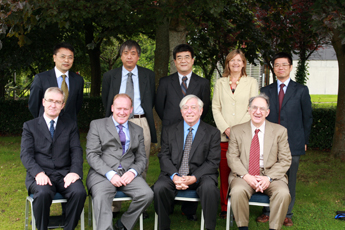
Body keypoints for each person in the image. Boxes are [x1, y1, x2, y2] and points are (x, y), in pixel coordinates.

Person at [258, 52, 313, 227]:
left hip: (294, 142)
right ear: (273, 69)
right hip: (269, 143)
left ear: (290, 67)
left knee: (290, 179)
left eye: (284, 64)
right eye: (277, 65)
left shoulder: (301, 90)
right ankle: (267, 211)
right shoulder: (265, 91)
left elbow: (307, 117)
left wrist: (304, 140)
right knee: (268, 176)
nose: (280, 68)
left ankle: (287, 213)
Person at [20, 87, 86, 230]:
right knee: (43, 193)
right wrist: (38, 173)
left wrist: (74, 172)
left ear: (63, 106)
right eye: (50, 100)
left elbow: (76, 150)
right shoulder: (30, 126)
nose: (53, 105)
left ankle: (68, 228)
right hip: (40, 174)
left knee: (79, 192)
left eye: (58, 102)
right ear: (43, 102)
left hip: (64, 174)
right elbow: (26, 154)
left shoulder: (70, 125)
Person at [86, 94, 154, 230]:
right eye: (119, 108)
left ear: (131, 110)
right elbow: (92, 155)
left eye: (126, 109)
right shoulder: (97, 125)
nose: (122, 112)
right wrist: (110, 174)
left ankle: (123, 224)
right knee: (102, 196)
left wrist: (133, 172)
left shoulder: (138, 130)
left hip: (128, 174)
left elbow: (141, 158)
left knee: (147, 194)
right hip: (102, 174)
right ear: (112, 108)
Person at [154, 95, 220, 230]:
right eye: (186, 108)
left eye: (193, 108)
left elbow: (212, 162)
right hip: (174, 174)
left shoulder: (212, 132)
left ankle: (209, 227)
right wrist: (175, 176)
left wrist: (194, 177)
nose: (189, 111)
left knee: (209, 188)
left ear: (201, 111)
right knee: (159, 188)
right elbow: (164, 156)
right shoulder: (170, 130)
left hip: (201, 175)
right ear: (181, 111)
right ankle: (163, 227)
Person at [227, 94, 291, 230]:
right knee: (238, 190)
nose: (258, 112)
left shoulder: (280, 131)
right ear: (248, 110)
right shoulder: (236, 131)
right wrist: (246, 176)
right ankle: (242, 227)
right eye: (254, 108)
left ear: (267, 112)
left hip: (271, 175)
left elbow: (285, 160)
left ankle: (274, 228)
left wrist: (268, 177)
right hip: (244, 174)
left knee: (283, 193)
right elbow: (232, 157)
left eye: (262, 109)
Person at [212, 49, 258, 218]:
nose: (236, 63)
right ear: (228, 64)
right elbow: (215, 108)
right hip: (223, 136)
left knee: (241, 171)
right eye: (232, 60)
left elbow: (253, 107)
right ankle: (225, 207)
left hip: (244, 136)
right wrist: (226, 128)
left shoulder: (251, 82)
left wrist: (237, 132)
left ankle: (240, 203)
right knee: (224, 171)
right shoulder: (220, 83)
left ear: (244, 63)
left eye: (239, 60)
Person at [102, 40, 156, 180]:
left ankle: (140, 195)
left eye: (133, 53)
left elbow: (152, 99)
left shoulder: (148, 75)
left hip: (141, 121)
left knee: (142, 160)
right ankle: (115, 200)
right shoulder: (110, 76)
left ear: (138, 56)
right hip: (117, 122)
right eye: (126, 53)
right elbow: (106, 100)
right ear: (121, 56)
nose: (129, 56)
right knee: (114, 159)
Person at [155, 44, 210, 129]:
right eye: (179, 58)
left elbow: (204, 108)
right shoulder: (165, 82)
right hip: (170, 128)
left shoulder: (203, 83)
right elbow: (159, 107)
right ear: (175, 62)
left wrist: (192, 119)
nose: (183, 61)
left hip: (194, 128)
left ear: (192, 60)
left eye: (187, 57)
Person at [28, 42, 84, 122]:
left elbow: (78, 105)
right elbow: (33, 105)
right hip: (46, 127)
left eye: (70, 57)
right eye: (62, 57)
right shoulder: (41, 78)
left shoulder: (78, 80)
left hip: (69, 127)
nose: (66, 60)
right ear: (54, 58)